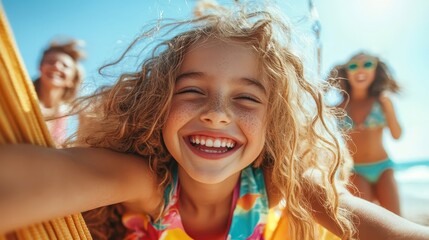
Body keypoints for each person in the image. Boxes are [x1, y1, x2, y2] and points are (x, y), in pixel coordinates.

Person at [1, 6, 428, 240]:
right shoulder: (147, 183)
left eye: (246, 97)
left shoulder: (287, 185)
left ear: (275, 122)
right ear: (158, 104)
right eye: (191, 90)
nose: (217, 112)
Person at [327, 52, 402, 215]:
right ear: (347, 72)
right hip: (356, 170)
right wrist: (323, 89)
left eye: (367, 64)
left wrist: (388, 106)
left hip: (383, 167)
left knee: (397, 220)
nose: (360, 69)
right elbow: (310, 114)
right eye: (353, 66)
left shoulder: (382, 102)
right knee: (366, 224)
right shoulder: (339, 107)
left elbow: (397, 135)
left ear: (375, 71)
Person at [33, 39, 85, 146]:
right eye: (50, 62)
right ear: (40, 68)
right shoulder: (22, 102)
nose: (56, 66)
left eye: (65, 66)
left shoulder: (70, 113)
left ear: (72, 80)